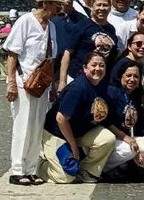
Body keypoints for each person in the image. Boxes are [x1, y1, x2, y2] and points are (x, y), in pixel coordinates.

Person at [4, 0, 63, 186]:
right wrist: (11, 82)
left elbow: (51, 59)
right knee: (23, 126)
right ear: (46, 3)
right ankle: (17, 170)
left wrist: (52, 87)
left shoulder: (52, 27)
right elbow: (12, 53)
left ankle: (30, 169)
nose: (59, 10)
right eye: (56, 5)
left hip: (42, 84)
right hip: (24, 81)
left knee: (37, 126)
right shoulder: (25, 22)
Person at [40, 52, 117, 184]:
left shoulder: (101, 85)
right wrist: (73, 145)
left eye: (101, 65)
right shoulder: (77, 88)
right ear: (85, 68)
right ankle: (38, 165)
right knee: (65, 178)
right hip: (57, 133)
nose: (98, 69)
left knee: (107, 139)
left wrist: (125, 137)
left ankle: (85, 170)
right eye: (94, 65)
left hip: (80, 132)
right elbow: (61, 119)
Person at [60, 0, 118, 90]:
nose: (102, 8)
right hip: (78, 77)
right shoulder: (82, 25)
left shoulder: (111, 30)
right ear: (91, 6)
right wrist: (62, 81)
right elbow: (67, 53)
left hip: (100, 80)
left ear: (110, 7)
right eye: (98, 5)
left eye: (105, 5)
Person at [104, 60, 144, 174]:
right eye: (128, 75)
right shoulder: (112, 92)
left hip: (126, 138)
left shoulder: (135, 97)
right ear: (121, 76)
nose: (132, 79)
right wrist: (125, 138)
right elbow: (106, 122)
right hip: (111, 138)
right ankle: (102, 168)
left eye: (136, 76)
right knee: (130, 150)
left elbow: (142, 124)